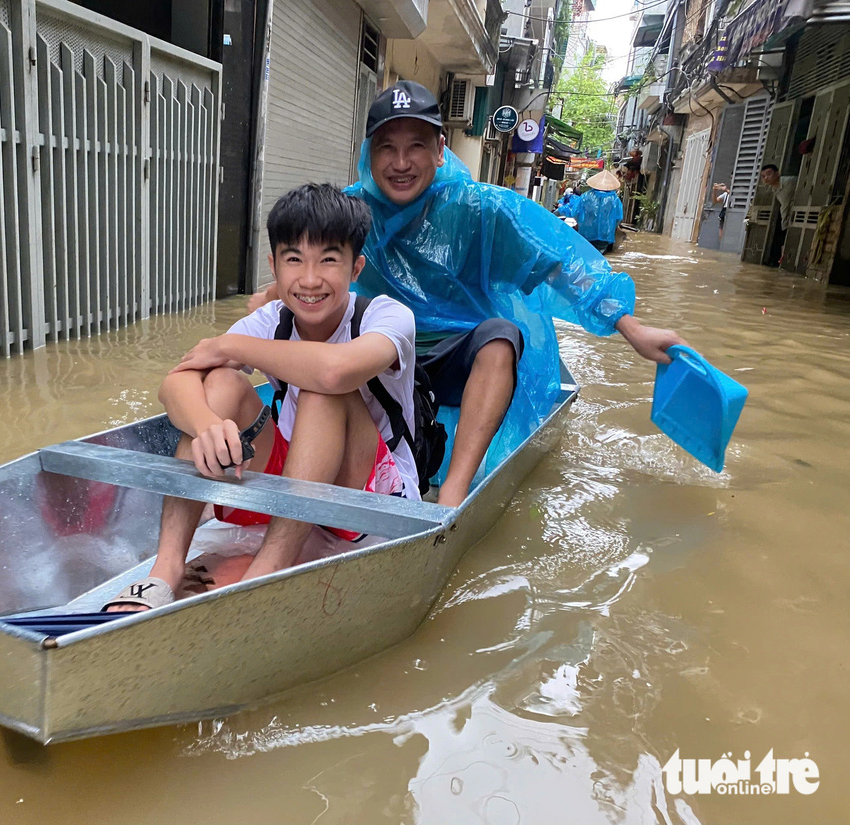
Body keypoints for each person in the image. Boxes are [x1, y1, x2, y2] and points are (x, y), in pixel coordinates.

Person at [249, 81, 686, 507]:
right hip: (376, 353)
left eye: (416, 146)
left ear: (440, 150)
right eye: (387, 147)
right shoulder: (351, 211)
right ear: (370, 154)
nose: (401, 162)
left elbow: (561, 266)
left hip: (456, 355)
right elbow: (309, 270)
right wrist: (269, 298)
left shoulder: (481, 209)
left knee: (501, 336)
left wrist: (631, 328)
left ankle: (451, 497)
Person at [102, 183, 420, 614]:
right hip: (295, 479)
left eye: (328, 259)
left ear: (356, 267)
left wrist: (233, 346)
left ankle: (266, 571)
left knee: (322, 392)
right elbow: (173, 386)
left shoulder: (386, 316)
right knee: (221, 386)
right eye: (294, 260)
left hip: (367, 496)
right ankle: (165, 569)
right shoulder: (270, 320)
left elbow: (334, 371)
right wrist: (206, 425)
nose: (310, 280)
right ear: (274, 265)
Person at [562, 170, 626, 253]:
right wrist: (613, 227)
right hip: (605, 235)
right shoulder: (614, 199)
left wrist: (580, 224)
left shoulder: (585, 196)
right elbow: (618, 217)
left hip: (586, 234)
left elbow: (575, 213)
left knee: (586, 254)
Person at [759, 164, 797, 265]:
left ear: (777, 174)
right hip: (787, 219)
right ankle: (783, 261)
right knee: (783, 241)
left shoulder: (789, 181)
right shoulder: (774, 189)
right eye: (763, 176)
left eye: (769, 174)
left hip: (796, 217)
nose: (766, 178)